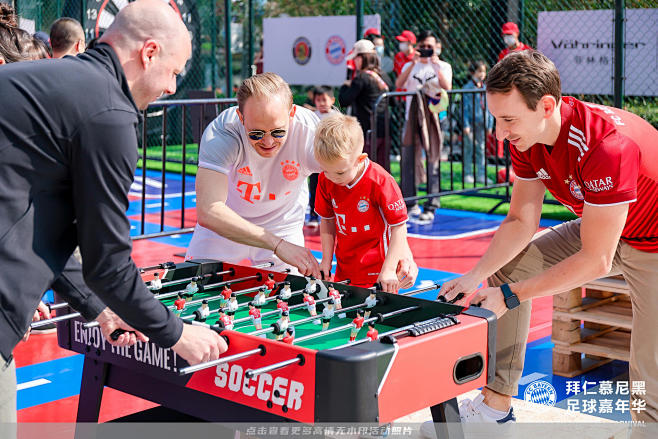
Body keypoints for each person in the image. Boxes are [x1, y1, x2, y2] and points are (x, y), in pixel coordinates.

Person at [0, 0, 228, 424]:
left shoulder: (51, 81)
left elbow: (35, 227)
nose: (172, 88)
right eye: (175, 73)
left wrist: (100, 309)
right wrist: (178, 335)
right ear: (150, 52)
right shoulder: (109, 112)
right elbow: (107, 263)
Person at [438, 51, 658, 426]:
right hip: (605, 225)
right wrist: (475, 276)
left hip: (652, 243)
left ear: (546, 105)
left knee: (648, 369)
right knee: (511, 265)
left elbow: (596, 260)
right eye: (495, 119)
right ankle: (496, 408)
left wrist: (512, 296)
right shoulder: (528, 137)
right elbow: (522, 219)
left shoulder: (607, 145)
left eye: (508, 120)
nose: (499, 133)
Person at [185, 72, 323, 277]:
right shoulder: (223, 132)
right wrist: (276, 244)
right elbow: (209, 210)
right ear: (241, 117)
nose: (268, 142)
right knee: (190, 286)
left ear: (291, 113)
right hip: (227, 225)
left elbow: (349, 174)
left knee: (293, 302)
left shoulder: (310, 132)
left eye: (278, 132)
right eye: (256, 134)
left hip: (283, 224)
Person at [314, 114, 417, 293]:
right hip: (345, 268)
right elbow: (327, 220)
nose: (330, 177)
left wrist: (389, 269)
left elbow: (399, 227)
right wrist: (326, 260)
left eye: (339, 173)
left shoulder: (381, 181)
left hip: (380, 271)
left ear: (360, 160)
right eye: (325, 170)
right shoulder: (326, 179)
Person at [395, 30, 452, 221]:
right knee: (409, 158)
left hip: (434, 117)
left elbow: (447, 86)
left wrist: (436, 66)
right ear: (417, 47)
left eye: (430, 46)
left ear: (436, 47)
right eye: (423, 46)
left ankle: (431, 204)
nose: (426, 49)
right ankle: (411, 202)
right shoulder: (411, 65)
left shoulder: (443, 65)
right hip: (412, 117)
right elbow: (399, 84)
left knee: (433, 158)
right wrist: (412, 63)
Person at [339, 39, 391, 169]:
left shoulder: (361, 78)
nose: (354, 61)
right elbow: (394, 101)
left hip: (367, 132)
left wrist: (345, 86)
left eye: (356, 58)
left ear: (362, 58)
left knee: (366, 168)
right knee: (382, 168)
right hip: (384, 129)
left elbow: (344, 101)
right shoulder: (383, 76)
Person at [462, 60, 494, 184]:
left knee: (481, 148)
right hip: (470, 123)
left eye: (484, 71)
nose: (482, 74)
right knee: (468, 148)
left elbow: (490, 107)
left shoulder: (486, 88)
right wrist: (465, 124)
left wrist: (490, 124)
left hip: (482, 123)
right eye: (479, 71)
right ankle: (468, 174)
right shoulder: (467, 88)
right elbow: (464, 107)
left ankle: (481, 174)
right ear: (472, 72)